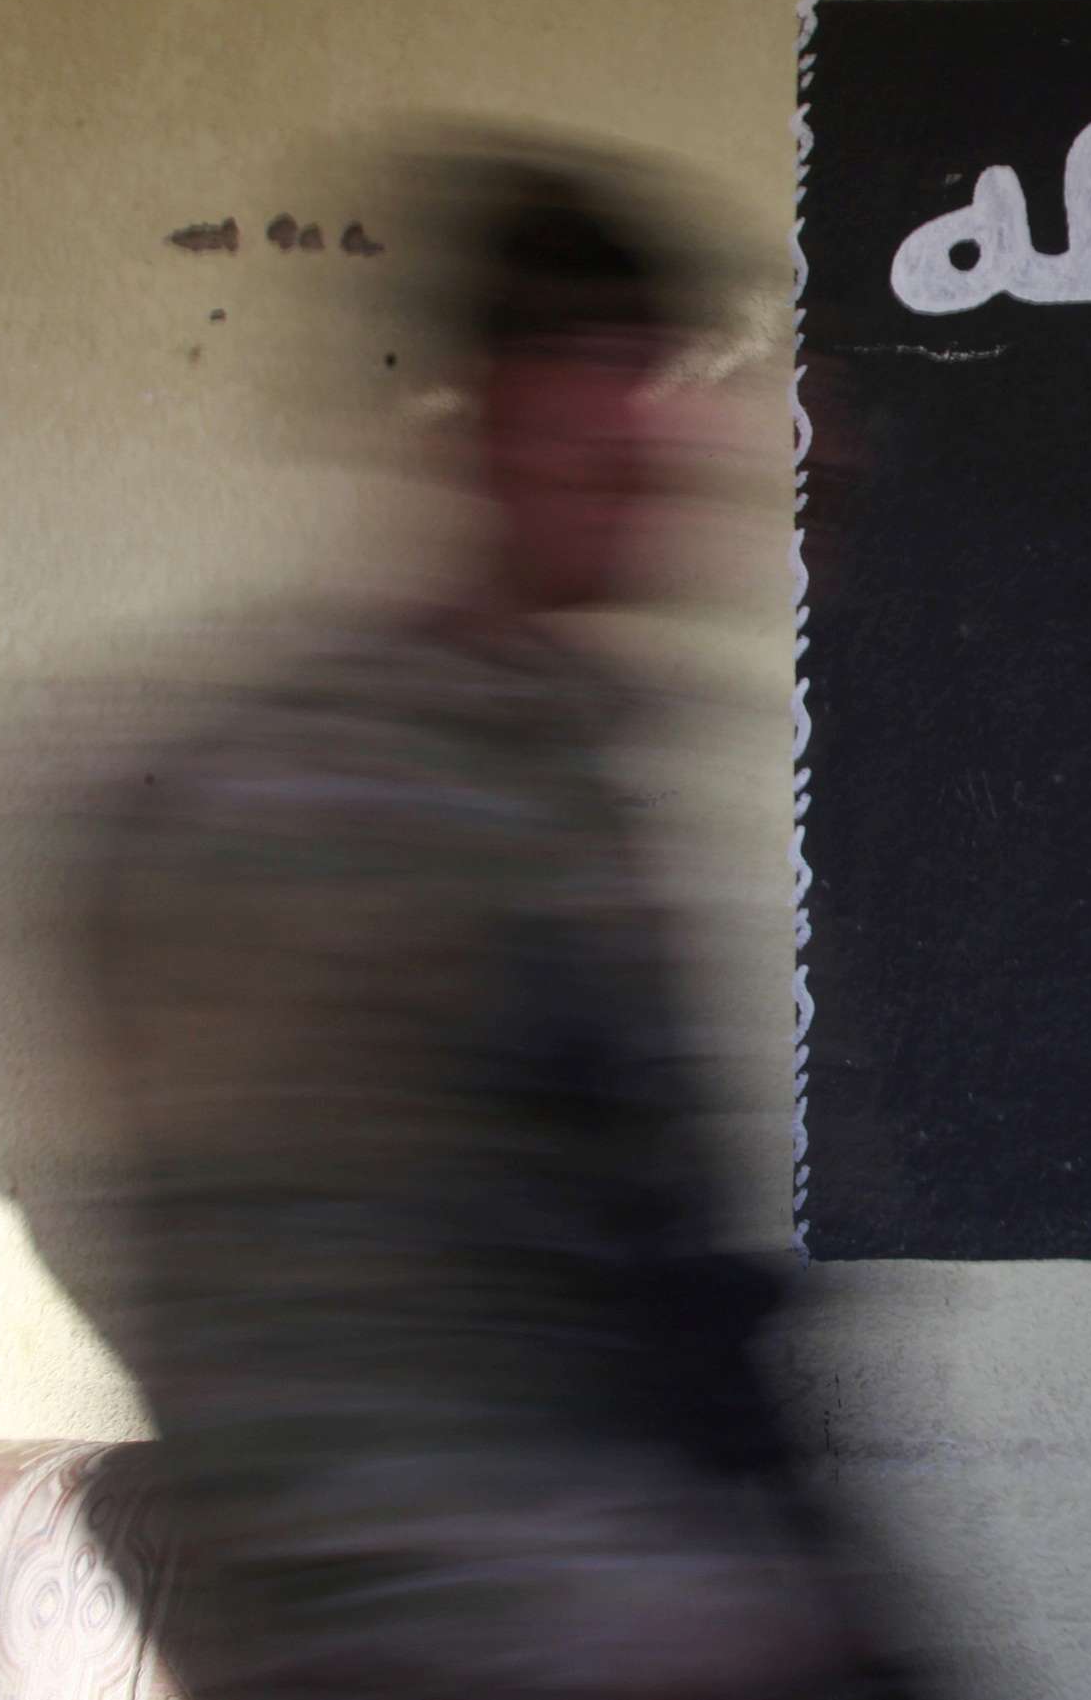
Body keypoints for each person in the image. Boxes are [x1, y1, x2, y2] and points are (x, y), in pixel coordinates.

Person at [82, 136, 926, 1698]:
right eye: (603, 374)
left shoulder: (561, 763)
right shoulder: (290, 805)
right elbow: (311, 1410)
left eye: (660, 375)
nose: (654, 435)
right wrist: (715, 1624)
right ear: (478, 402)